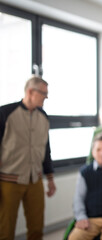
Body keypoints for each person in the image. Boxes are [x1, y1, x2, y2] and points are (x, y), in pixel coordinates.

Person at [0, 75, 56, 240]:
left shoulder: (44, 118)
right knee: (5, 229)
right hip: (8, 181)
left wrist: (50, 179)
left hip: (35, 180)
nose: (46, 97)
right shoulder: (5, 113)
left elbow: (46, 150)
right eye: (43, 93)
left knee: (37, 227)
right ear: (30, 91)